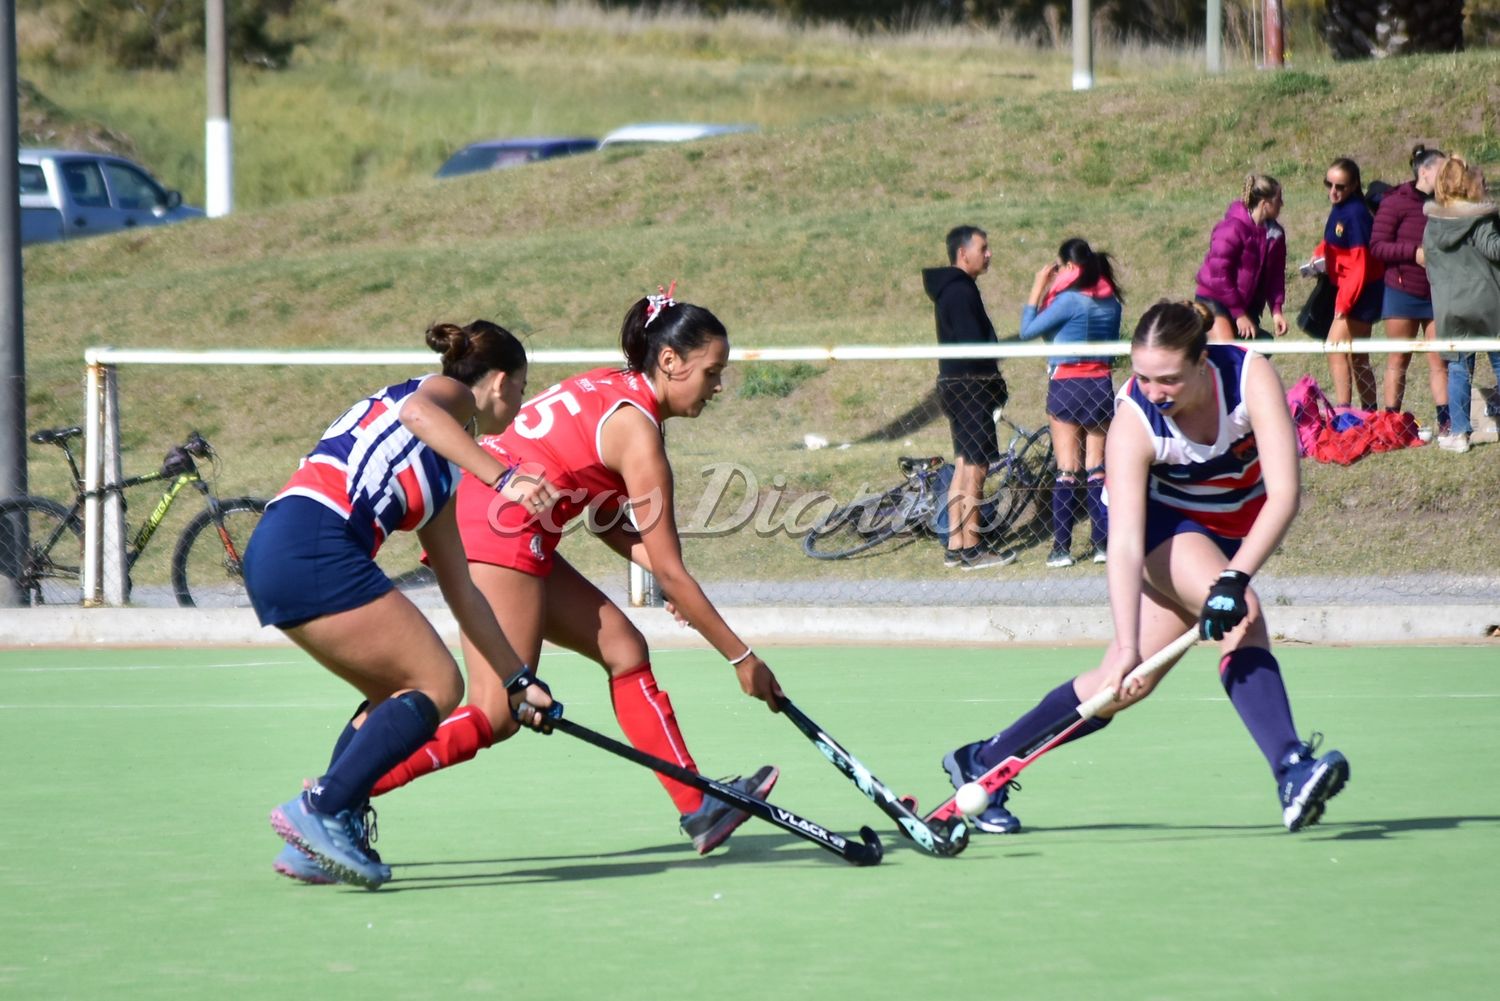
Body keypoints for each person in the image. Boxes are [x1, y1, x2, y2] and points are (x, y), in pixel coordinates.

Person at [363, 288, 782, 858]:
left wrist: (661, 576)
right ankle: (336, 795)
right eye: (712, 372)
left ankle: (697, 806)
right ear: (670, 361)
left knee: (624, 649)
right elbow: (672, 568)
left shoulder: (612, 388)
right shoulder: (639, 434)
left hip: (497, 521)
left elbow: (608, 521)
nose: (717, 386)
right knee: (495, 710)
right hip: (500, 528)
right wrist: (741, 658)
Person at [941, 301, 1349, 835]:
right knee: (1241, 616)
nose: (1155, 391)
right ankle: (1292, 770)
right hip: (1162, 531)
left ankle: (984, 760)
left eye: (1170, 379)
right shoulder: (1134, 418)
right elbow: (1127, 544)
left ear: (1204, 362)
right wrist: (1131, 638)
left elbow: (1285, 495)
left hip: (1227, 535)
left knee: (1126, 684)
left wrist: (1234, 574)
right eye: (1144, 376)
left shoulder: (1249, 375)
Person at [248, 320, 559, 889]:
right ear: (496, 384)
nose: (520, 403)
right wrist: (505, 477)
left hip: (283, 550)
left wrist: (517, 680)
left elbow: (463, 592)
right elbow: (420, 413)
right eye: (521, 387)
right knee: (439, 685)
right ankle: (320, 809)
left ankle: (323, 830)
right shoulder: (447, 396)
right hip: (315, 539)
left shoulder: (441, 474)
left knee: (393, 694)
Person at [1017, 237, 1124, 568]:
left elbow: (1026, 330)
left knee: (1067, 469)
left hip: (1066, 383)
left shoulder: (1068, 302)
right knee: (1097, 467)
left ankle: (1061, 548)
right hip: (1100, 384)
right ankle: (1102, 544)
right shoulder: (1112, 302)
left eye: (1061, 266)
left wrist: (1038, 287)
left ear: (1070, 267)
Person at [922, 225, 1016, 571]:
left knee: (964, 462)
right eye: (984, 248)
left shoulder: (953, 289)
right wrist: (992, 384)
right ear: (964, 253)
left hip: (955, 386)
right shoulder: (960, 292)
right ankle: (972, 547)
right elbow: (974, 348)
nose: (989, 254)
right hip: (970, 388)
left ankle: (956, 543)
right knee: (976, 465)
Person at [1423, 155, 1500, 454]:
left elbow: (1430, 266)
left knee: (1458, 368)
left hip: (1449, 306)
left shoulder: (1431, 225)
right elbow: (1493, 248)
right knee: (1499, 359)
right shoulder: (1477, 217)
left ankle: (1458, 433)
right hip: (1487, 302)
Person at [1372, 144, 1449, 429]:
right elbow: (1377, 247)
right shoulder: (1395, 201)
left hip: (1437, 293)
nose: (1446, 177)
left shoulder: (1447, 202)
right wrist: (1413, 252)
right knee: (1398, 359)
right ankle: (1391, 423)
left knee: (1440, 360)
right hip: (1402, 291)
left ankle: (1447, 422)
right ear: (1425, 171)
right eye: (1442, 170)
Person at [1314, 157, 1384, 409]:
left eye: (1340, 186)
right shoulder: (1342, 207)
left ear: (1354, 185)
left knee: (1335, 348)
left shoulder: (1355, 214)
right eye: (1328, 184)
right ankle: (1370, 411)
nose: (1333, 191)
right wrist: (1320, 252)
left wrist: (1343, 306)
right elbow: (1335, 240)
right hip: (1352, 290)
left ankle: (1344, 411)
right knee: (1358, 356)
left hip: (1359, 294)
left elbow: (1360, 265)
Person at [1194, 174, 1289, 343]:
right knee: (1228, 352)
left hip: (1246, 304)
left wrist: (1276, 311)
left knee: (1257, 351)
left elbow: (1276, 275)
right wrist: (1239, 314)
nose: (1282, 204)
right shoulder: (1231, 229)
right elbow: (1219, 276)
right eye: (1278, 199)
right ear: (1265, 204)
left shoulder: (1276, 235)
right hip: (1214, 299)